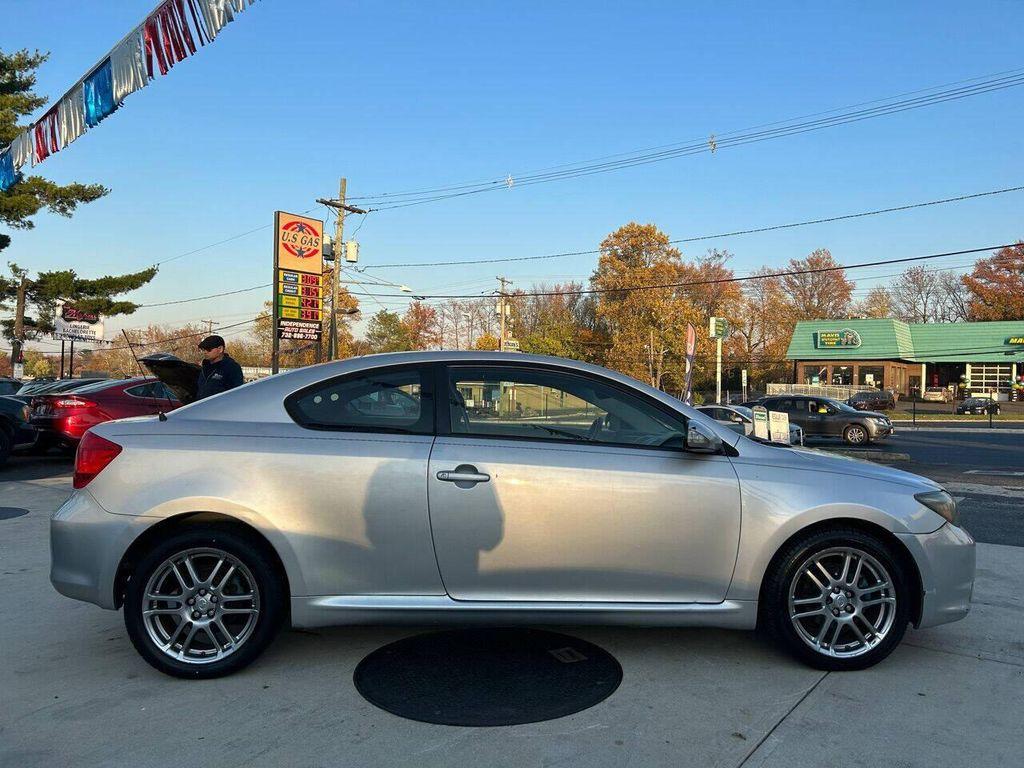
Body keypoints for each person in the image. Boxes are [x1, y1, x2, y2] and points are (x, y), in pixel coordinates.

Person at [195, 335, 244, 400]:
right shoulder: (205, 368)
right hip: (202, 408)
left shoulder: (231, 367)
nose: (205, 352)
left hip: (222, 408)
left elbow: (237, 393)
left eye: (208, 349)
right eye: (203, 349)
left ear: (220, 349)